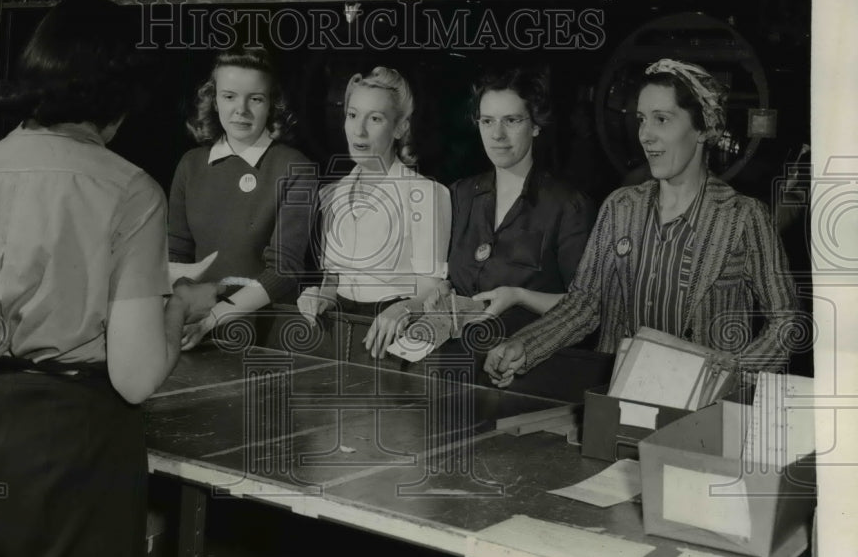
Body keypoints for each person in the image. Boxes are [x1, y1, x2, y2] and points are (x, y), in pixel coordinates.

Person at [0, 0, 216, 557]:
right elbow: (134, 378)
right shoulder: (132, 191)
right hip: (84, 448)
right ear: (118, 94)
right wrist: (182, 304)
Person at [484, 58, 798, 387]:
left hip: (699, 414)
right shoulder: (620, 207)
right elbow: (584, 305)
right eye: (641, 120)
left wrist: (734, 376)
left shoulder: (743, 217)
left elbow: (786, 320)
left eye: (661, 119)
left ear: (704, 127)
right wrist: (525, 345)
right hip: (617, 397)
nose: (645, 135)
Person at [297, 67, 451, 358]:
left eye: (375, 118)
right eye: (353, 115)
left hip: (392, 338)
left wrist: (401, 309)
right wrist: (319, 296)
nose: (359, 130)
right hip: (337, 334)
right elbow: (334, 278)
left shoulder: (428, 195)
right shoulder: (333, 194)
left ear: (400, 128)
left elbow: (431, 290)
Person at [168, 47, 316, 348]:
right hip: (195, 331)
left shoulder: (295, 167)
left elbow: (284, 271)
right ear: (214, 100)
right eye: (229, 96)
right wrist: (187, 310)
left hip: (269, 336)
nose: (241, 110)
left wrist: (213, 318)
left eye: (256, 99)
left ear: (272, 103)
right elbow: (176, 254)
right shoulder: (190, 165)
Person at [436, 67, 595, 339]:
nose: (497, 134)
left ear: (535, 125)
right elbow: (438, 278)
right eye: (487, 121)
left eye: (511, 120)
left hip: (528, 366)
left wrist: (521, 296)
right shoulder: (458, 196)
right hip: (455, 357)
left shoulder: (568, 207)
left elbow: (589, 308)